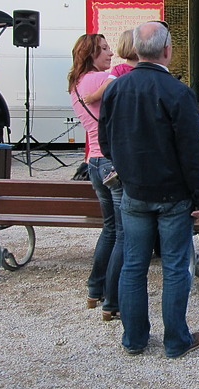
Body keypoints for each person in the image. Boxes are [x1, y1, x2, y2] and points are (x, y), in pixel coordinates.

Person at [99, 20, 199, 358]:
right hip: (173, 193)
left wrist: (129, 168)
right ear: (166, 50)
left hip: (134, 191)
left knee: (134, 265)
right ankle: (176, 340)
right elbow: (192, 150)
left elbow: (105, 142)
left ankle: (134, 338)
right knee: (175, 266)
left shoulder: (116, 88)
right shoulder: (177, 92)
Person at [67, 34, 123, 322]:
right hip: (112, 161)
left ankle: (94, 289)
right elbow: (120, 83)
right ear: (90, 54)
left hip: (94, 163)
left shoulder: (76, 84)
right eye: (103, 49)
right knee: (123, 233)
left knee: (111, 229)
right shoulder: (96, 80)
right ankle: (112, 301)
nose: (110, 53)